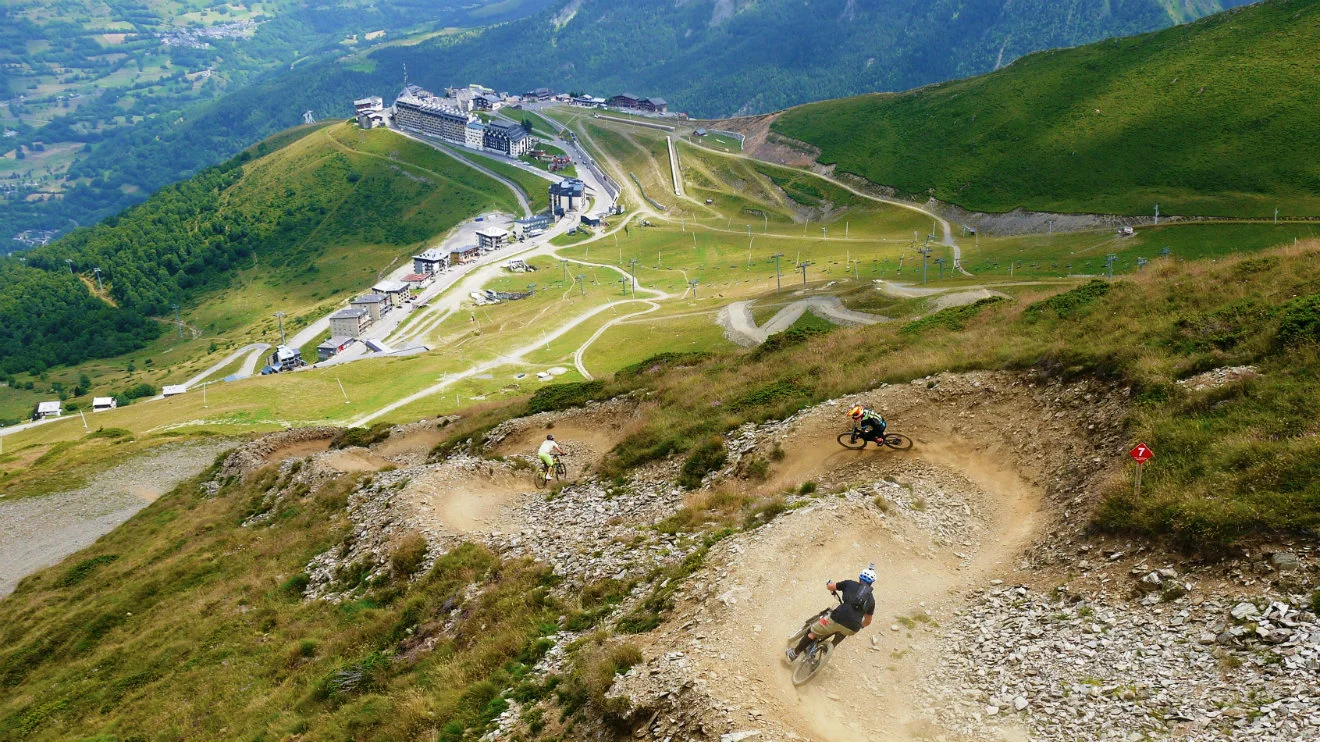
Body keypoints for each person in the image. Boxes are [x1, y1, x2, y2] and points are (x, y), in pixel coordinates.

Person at [786, 566, 877, 662]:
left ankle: (794, 654)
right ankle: (828, 647)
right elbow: (868, 621)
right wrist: (860, 626)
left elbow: (831, 587)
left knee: (812, 632)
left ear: (860, 577)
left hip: (837, 617)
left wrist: (829, 584)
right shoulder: (872, 600)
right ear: (872, 583)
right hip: (853, 627)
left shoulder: (849, 583)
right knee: (843, 631)